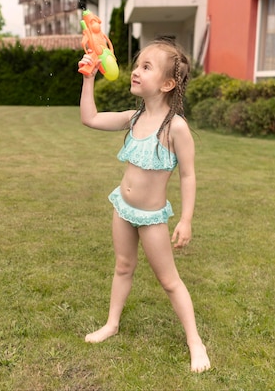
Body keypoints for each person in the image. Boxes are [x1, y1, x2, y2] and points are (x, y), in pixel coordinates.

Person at [78, 39, 211, 373]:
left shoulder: (175, 127)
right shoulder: (133, 117)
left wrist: (187, 219)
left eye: (146, 67)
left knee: (169, 281)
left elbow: (188, 175)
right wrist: (88, 78)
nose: (136, 71)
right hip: (122, 207)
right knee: (123, 266)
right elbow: (90, 119)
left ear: (167, 84)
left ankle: (195, 341)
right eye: (137, 65)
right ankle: (112, 324)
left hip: (152, 218)